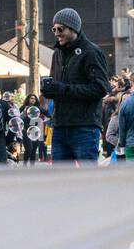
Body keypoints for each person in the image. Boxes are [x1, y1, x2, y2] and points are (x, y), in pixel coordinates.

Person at [40, 8, 110, 163]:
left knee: (87, 179)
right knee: (61, 180)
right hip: (60, 126)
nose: (56, 33)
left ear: (73, 28)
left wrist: (62, 89)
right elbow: (57, 85)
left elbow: (101, 88)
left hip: (84, 126)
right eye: (54, 29)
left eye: (60, 29)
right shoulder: (57, 54)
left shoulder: (91, 52)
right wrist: (50, 91)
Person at [21, 93, 47, 164]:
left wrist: (48, 119)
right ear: (28, 99)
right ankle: (25, 164)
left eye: (34, 98)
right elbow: (17, 117)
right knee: (29, 148)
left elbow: (47, 113)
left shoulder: (38, 108)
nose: (33, 100)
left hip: (35, 131)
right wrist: (23, 114)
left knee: (34, 149)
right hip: (25, 130)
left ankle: (32, 166)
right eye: (31, 98)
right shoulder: (24, 107)